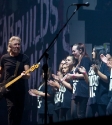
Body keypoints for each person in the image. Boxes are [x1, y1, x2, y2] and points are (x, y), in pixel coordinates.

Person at [0, 36, 30, 125]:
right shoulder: (4, 58)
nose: (17, 46)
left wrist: (24, 75)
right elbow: (0, 72)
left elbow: (28, 75)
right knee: (11, 109)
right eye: (15, 44)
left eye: (19, 44)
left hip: (20, 89)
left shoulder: (24, 58)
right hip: (8, 89)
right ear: (10, 46)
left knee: (19, 112)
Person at [64, 43, 92, 119]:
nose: (72, 53)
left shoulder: (85, 60)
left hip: (83, 90)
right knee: (75, 114)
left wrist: (73, 76)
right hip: (77, 91)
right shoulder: (79, 62)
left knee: (80, 114)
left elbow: (85, 75)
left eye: (74, 51)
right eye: (72, 51)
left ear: (80, 50)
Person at [86, 46, 110, 118]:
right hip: (93, 97)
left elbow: (107, 79)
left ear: (98, 53)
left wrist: (97, 72)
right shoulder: (94, 65)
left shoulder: (104, 64)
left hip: (102, 97)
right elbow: (89, 82)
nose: (92, 53)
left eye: (93, 51)